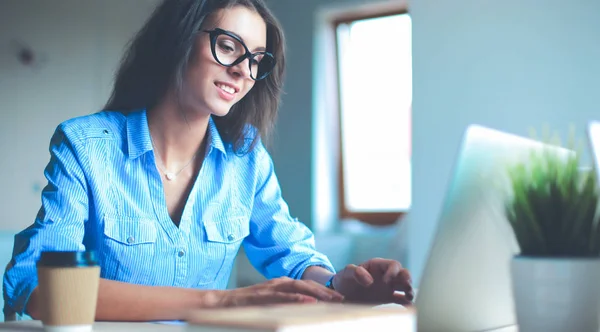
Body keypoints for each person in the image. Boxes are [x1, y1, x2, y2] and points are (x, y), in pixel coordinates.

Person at [3, 0, 413, 322]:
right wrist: (219, 300)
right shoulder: (86, 145)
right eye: (228, 46)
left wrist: (341, 285)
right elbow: (38, 289)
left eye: (256, 60)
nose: (242, 72)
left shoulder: (246, 157)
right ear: (179, 39)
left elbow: (293, 255)